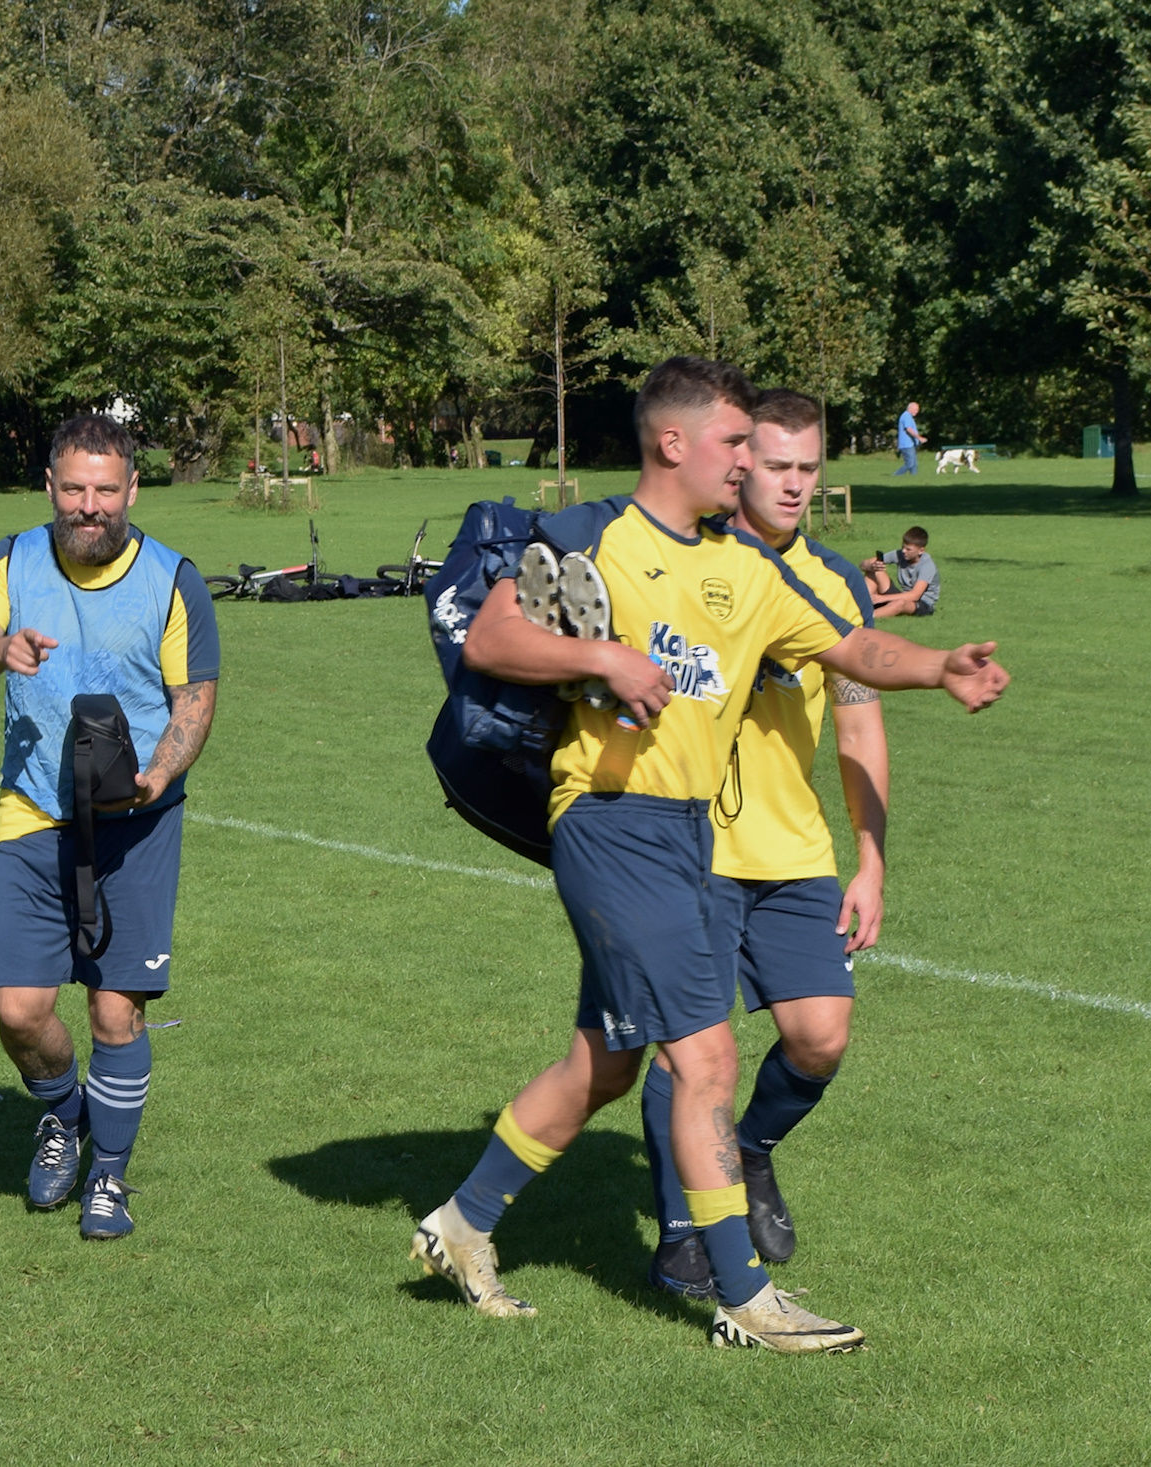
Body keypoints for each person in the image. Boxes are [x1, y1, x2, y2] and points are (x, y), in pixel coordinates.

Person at [408, 357, 1008, 1352]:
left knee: (604, 1062)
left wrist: (937, 666)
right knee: (709, 1055)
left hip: (684, 834)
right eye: (735, 442)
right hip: (610, 821)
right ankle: (742, 1295)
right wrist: (600, 656)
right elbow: (492, 640)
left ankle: (463, 1223)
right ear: (673, 443)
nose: (750, 460)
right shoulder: (593, 534)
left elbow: (854, 651)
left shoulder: (745, 568)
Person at [0, 412, 221, 1241]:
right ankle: (64, 1113)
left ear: (132, 489)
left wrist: (159, 773)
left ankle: (109, 1178)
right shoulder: (11, 561)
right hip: (32, 814)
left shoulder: (173, 578)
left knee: (113, 1015)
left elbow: (193, 701)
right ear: (51, 488)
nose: (88, 505)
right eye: (73, 489)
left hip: (137, 822)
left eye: (105, 489)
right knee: (21, 1011)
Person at [641, 388, 890, 1300]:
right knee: (688, 1051)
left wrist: (869, 857)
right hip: (691, 848)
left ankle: (748, 1152)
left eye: (807, 467)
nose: (791, 484)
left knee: (821, 1037)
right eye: (775, 464)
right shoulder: (687, 559)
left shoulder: (834, 584)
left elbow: (861, 728)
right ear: (739, 465)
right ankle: (681, 1236)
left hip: (794, 855)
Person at [861, 527, 940, 617]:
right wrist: (871, 566)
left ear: (921, 550)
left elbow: (915, 595)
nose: (903, 551)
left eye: (908, 549)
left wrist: (882, 598)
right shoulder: (900, 554)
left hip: (921, 603)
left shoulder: (927, 565)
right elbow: (863, 564)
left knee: (899, 603)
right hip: (902, 595)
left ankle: (865, 618)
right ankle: (862, 605)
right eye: (903, 547)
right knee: (874, 571)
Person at [891, 402, 925, 476]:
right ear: (910, 408)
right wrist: (919, 438)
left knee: (914, 465)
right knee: (910, 464)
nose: (917, 412)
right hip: (906, 444)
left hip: (911, 444)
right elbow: (908, 429)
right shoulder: (906, 416)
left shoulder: (908, 417)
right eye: (916, 410)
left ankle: (913, 480)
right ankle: (895, 476)